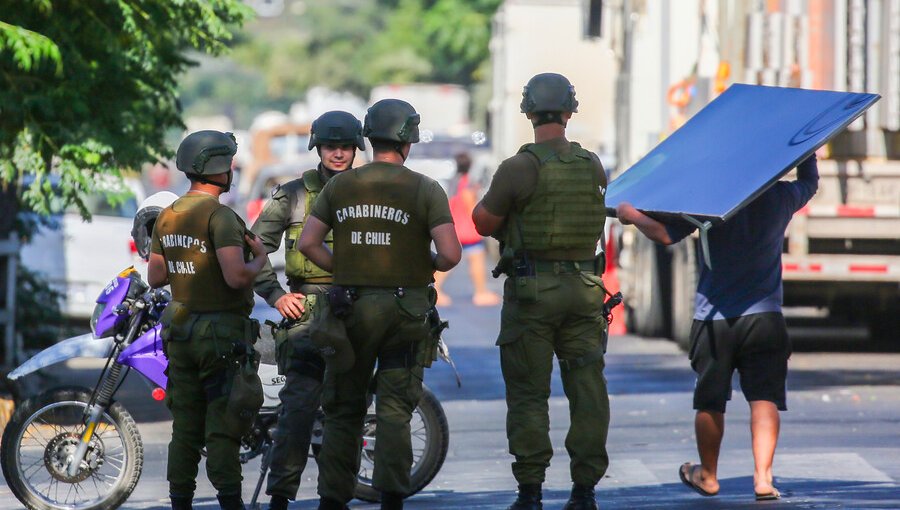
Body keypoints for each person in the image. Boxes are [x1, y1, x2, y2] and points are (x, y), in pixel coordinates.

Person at [615, 154, 819, 501]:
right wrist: (809, 150)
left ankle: (707, 476)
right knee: (765, 397)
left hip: (714, 321)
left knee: (710, 400)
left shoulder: (710, 203)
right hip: (765, 317)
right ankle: (764, 479)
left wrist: (631, 216)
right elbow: (810, 183)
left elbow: (665, 235)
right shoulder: (779, 198)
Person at [298, 98, 461, 510]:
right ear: (408, 140)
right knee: (394, 411)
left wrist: (346, 268)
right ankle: (391, 498)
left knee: (343, 410)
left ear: (368, 138)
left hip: (350, 310)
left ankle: (333, 500)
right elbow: (451, 254)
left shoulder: (340, 186)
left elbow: (308, 244)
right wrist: (422, 263)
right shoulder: (426, 189)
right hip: (406, 313)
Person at [472, 73, 610, 510]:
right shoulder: (592, 164)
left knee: (530, 394)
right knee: (587, 390)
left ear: (528, 112)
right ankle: (584, 491)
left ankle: (530, 492)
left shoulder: (519, 167)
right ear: (570, 112)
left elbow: (482, 223)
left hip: (533, 293)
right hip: (586, 289)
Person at [250, 111, 366, 510]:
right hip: (308, 312)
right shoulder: (294, 194)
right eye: (330, 146)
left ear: (356, 148)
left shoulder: (368, 191)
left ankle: (335, 498)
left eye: (345, 146)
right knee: (297, 410)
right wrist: (274, 294)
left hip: (359, 310)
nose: (338, 153)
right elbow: (254, 246)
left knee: (347, 410)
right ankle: (281, 496)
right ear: (317, 147)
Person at [147, 130, 267, 510]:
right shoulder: (221, 217)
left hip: (179, 334)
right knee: (222, 429)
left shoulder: (167, 216)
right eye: (228, 162)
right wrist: (260, 259)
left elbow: (156, 277)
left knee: (184, 430)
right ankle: (230, 502)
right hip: (220, 337)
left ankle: (180, 501)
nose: (231, 169)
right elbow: (236, 276)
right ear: (215, 168)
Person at [433, 152, 501, 306]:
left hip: (455, 227)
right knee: (477, 260)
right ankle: (481, 292)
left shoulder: (453, 183)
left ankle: (435, 289)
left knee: (449, 261)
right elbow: (470, 205)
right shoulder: (467, 184)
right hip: (468, 230)